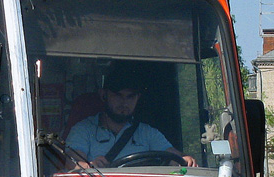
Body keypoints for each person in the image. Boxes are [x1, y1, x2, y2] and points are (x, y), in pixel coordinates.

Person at [66, 63, 195, 167]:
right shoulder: (83, 130)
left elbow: (172, 154)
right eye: (118, 95)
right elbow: (72, 163)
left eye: (130, 97)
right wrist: (89, 166)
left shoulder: (147, 133)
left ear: (138, 98)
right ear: (103, 95)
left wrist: (184, 160)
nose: (124, 103)